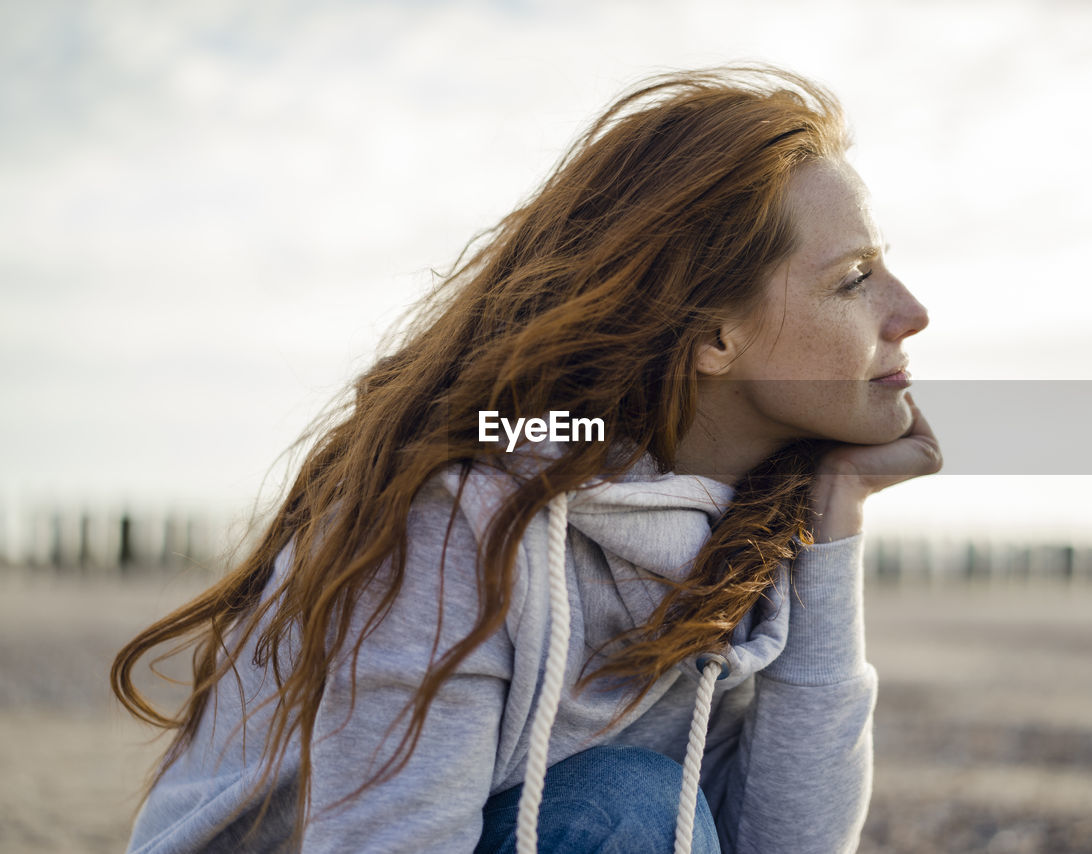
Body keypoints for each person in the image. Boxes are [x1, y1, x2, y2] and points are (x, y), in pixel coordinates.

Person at [112, 64, 939, 854]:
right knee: (630, 816)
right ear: (713, 336)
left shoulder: (749, 519)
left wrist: (836, 523)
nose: (911, 312)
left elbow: (782, 844)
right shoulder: (466, 512)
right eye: (855, 279)